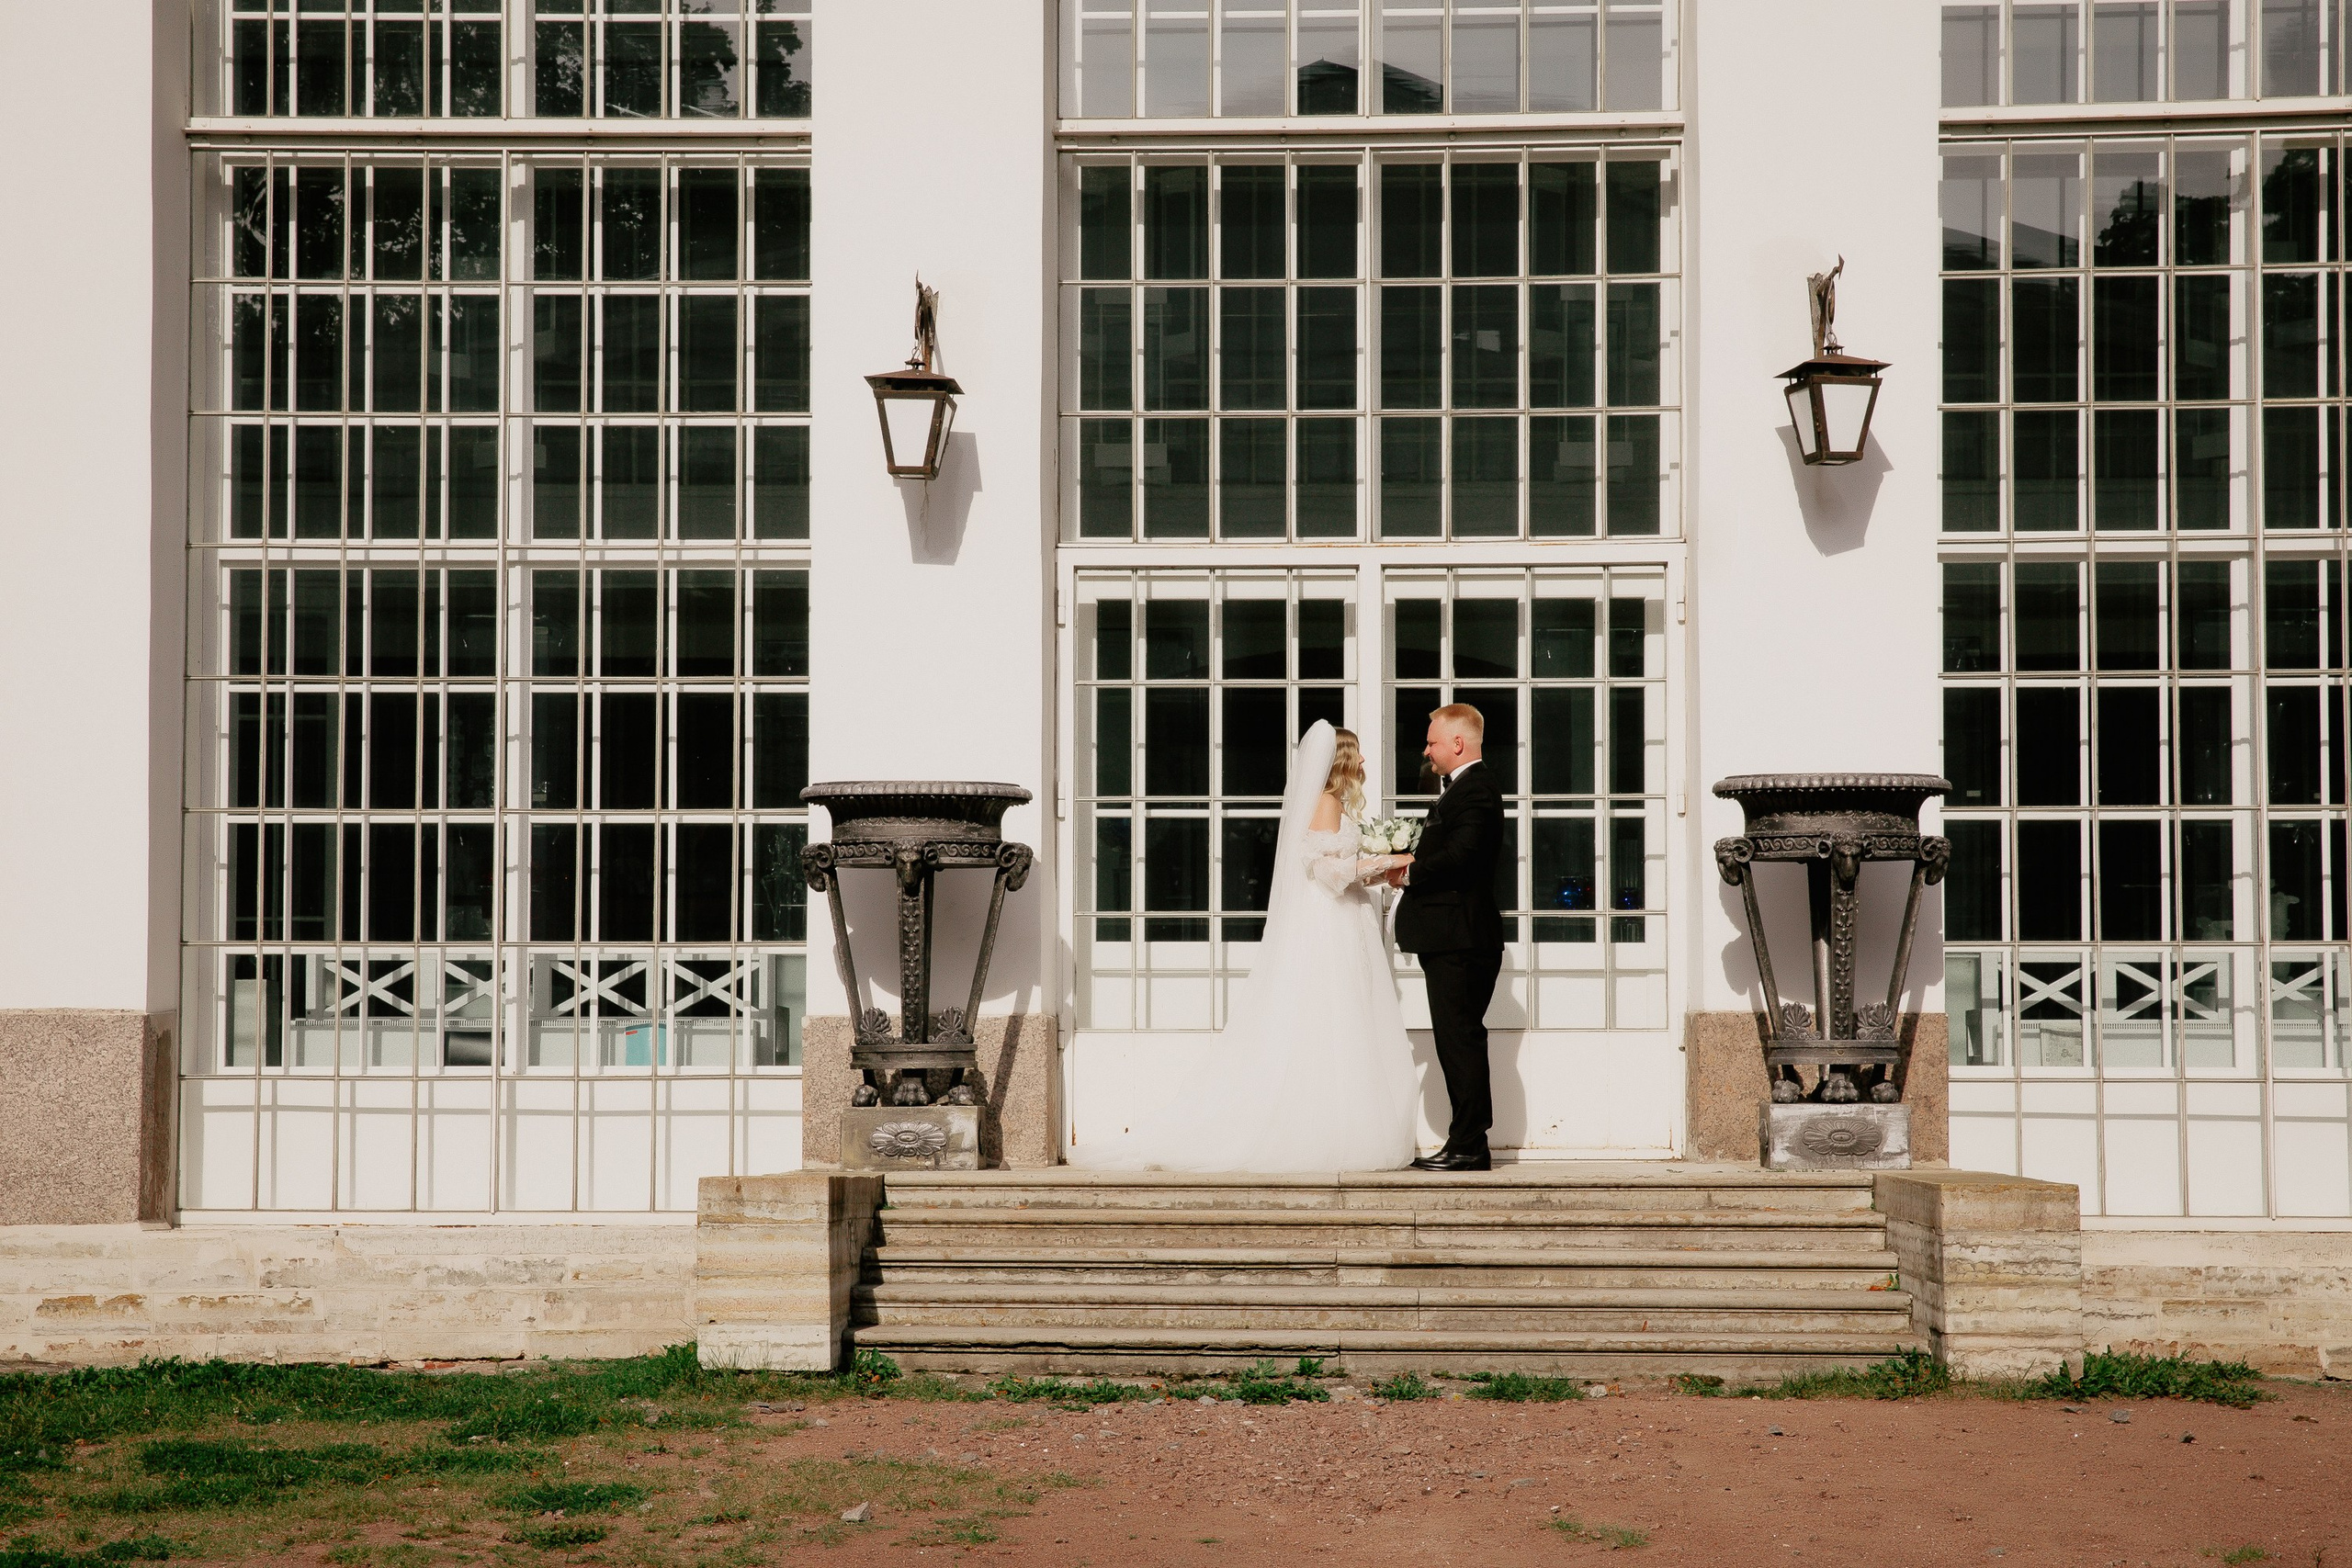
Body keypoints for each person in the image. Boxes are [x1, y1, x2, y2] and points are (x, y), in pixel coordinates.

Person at [1069, 721, 1420, 1173]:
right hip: (1330, 924)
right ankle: (1333, 1131)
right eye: (1358, 754)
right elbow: (1330, 875)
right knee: (1337, 1016)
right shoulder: (1328, 801)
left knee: (1334, 1018)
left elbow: (1334, 867)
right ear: (1342, 762)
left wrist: (1378, 869)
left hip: (1336, 920)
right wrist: (1389, 858)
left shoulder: (1324, 803)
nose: (1365, 762)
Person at [1388, 704, 1506, 1172]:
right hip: (1453, 938)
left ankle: (1469, 1144)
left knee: (1459, 1040)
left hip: (1461, 939)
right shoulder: (1463, 790)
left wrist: (1408, 871)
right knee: (1457, 1038)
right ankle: (1467, 1141)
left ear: (1458, 743)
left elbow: (1463, 856)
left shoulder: (1475, 790)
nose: (1426, 750)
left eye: (1432, 742)